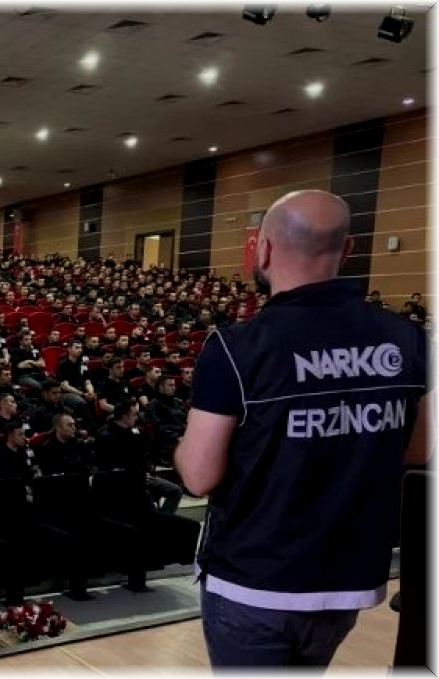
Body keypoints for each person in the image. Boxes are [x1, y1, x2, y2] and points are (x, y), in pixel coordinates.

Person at [175, 190, 432, 668]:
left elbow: (198, 476)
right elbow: (417, 452)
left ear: (263, 249)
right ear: (347, 249)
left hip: (255, 580)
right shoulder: (407, 337)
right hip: (348, 578)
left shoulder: (236, 346)